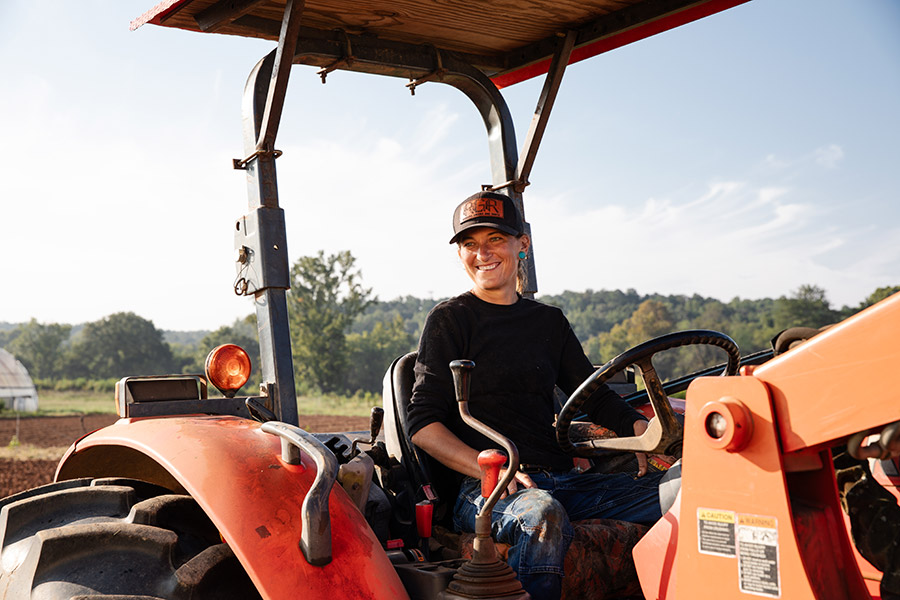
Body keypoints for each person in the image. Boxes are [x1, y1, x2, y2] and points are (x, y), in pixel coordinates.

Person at [407, 190, 664, 600]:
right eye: (470, 244)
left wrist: (645, 432)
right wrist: (488, 470)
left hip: (563, 481)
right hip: (488, 490)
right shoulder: (450, 320)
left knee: (688, 491)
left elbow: (592, 395)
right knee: (541, 515)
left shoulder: (549, 321)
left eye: (495, 240)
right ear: (460, 255)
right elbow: (422, 424)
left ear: (521, 244)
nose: (482, 253)